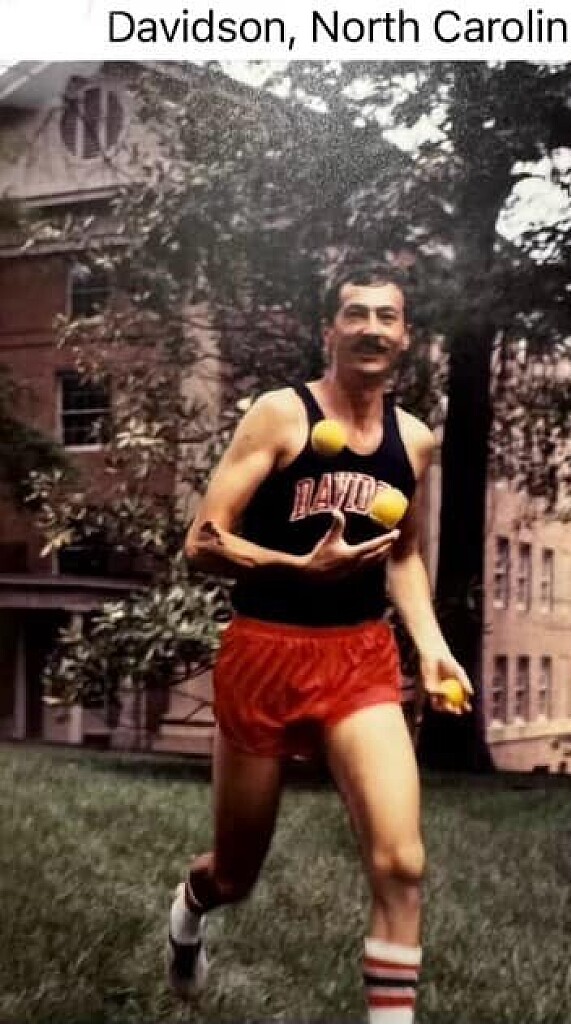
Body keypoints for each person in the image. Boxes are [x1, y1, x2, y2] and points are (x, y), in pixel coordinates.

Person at [167, 262, 472, 1024]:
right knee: (235, 874)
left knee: (402, 862)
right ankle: (190, 909)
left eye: (387, 316)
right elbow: (202, 541)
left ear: (406, 336)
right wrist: (297, 566)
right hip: (264, 654)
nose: (371, 327)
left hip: (358, 658)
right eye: (355, 313)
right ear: (329, 330)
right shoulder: (281, 416)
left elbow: (403, 555)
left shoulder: (414, 440)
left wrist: (431, 644)